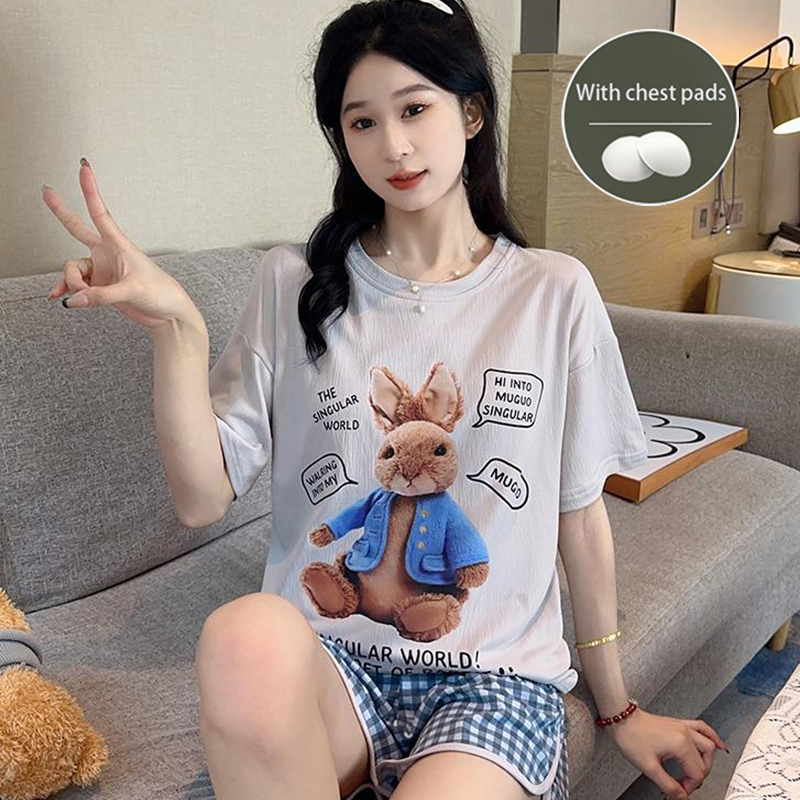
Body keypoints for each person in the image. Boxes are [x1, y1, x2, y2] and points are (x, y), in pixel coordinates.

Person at [41, 2, 729, 799]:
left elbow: (578, 516)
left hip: (493, 683)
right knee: (242, 634)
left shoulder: (552, 292)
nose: (393, 146)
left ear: (471, 113)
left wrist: (618, 708)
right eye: (362, 122)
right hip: (331, 666)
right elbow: (201, 500)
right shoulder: (294, 282)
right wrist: (176, 328)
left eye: (414, 109)